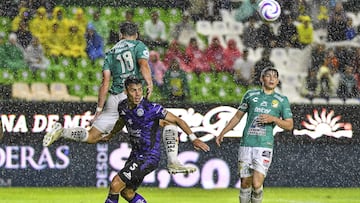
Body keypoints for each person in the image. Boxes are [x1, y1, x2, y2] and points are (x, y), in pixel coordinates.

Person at [43, 22, 197, 174]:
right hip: (131, 96)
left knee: (91, 136)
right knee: (168, 122)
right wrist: (149, 82)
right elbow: (143, 64)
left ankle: (62, 131)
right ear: (136, 35)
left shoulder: (111, 52)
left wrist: (99, 109)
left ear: (120, 35)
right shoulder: (139, 46)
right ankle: (173, 161)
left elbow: (105, 82)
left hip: (114, 98)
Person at [103, 76, 210, 203]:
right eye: (133, 90)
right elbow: (122, 121)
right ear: (126, 92)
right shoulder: (122, 106)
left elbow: (177, 120)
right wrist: (110, 135)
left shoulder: (151, 108)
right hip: (136, 155)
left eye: (139, 90)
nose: (137, 94)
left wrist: (194, 139)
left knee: (116, 184)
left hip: (148, 156)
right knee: (127, 192)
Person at [216, 67, 294, 203]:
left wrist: (274, 119)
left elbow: (289, 125)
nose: (271, 79)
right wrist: (223, 132)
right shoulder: (250, 95)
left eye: (274, 77)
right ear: (261, 79)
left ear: (277, 81)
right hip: (246, 144)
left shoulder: (281, 100)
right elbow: (237, 117)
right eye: (268, 76)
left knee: (257, 184)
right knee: (245, 183)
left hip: (264, 145)